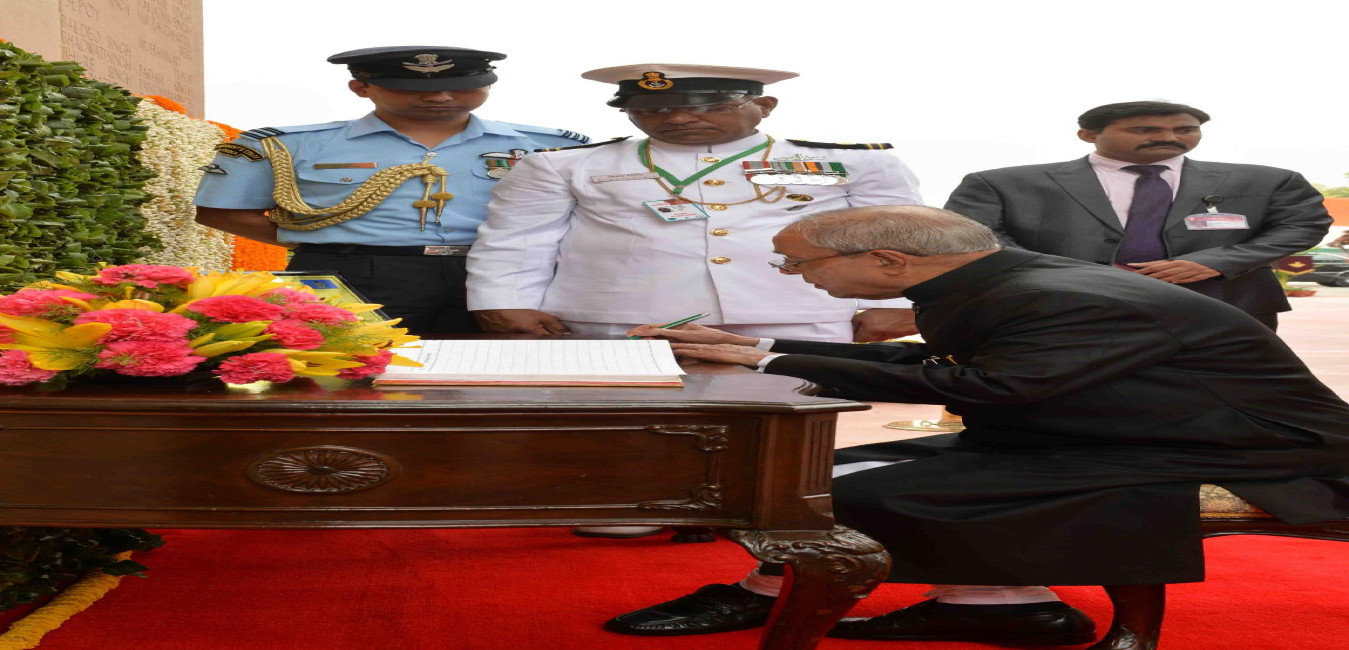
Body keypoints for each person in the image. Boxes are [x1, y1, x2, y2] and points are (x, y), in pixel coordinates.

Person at [604, 206, 1349, 647]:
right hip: (1105, 429)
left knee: (847, 492)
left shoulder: (1053, 295)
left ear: (889, 261)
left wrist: (765, 361)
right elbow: (948, 361)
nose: (796, 274)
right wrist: (755, 349)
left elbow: (995, 384)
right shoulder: (1004, 278)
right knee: (804, 476)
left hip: (1244, 449)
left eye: (799, 264)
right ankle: (997, 604)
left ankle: (989, 605)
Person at [465, 63, 925, 344]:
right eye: (653, 109)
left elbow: (906, 243)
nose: (680, 118)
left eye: (708, 107)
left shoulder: (857, 163)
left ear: (765, 105)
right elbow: (518, 240)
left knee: (800, 430)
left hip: (800, 319)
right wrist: (503, 302)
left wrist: (909, 306)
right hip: (616, 321)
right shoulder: (561, 165)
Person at [193, 46, 590, 335]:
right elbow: (221, 211)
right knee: (343, 373)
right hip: (353, 272)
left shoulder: (551, 146)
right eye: (410, 88)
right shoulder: (285, 144)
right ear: (360, 87)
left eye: (461, 85)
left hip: (508, 273)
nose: (440, 96)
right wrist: (325, 239)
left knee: (509, 370)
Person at [944, 101, 1332, 331]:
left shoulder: (1267, 180)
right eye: (1144, 129)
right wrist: (1063, 275)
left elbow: (1304, 224)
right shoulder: (1001, 183)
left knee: (1226, 399)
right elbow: (972, 235)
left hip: (1225, 307)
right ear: (1087, 134)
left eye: (1185, 129)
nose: (1169, 137)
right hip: (1060, 310)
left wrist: (1216, 262)